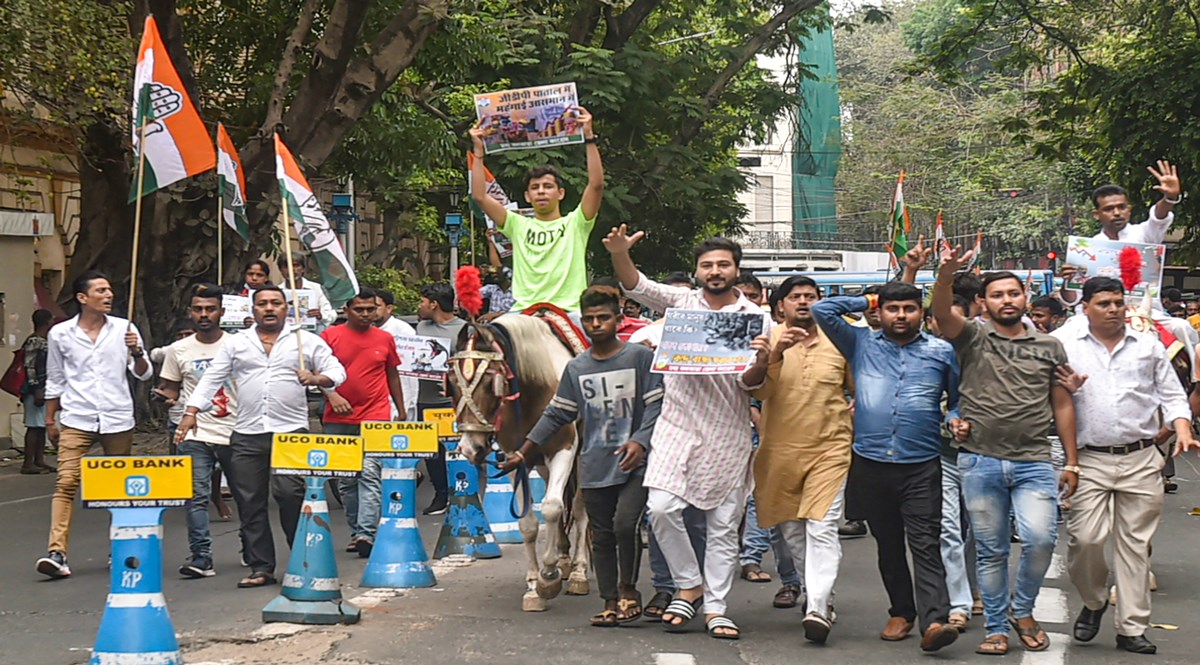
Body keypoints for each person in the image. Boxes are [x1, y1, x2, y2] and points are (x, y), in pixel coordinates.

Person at [605, 227, 770, 640]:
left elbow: (750, 383)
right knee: (660, 508)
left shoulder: (756, 318)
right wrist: (620, 253)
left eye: (723, 265)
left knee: (722, 524)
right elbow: (635, 284)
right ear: (697, 271)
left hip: (728, 431)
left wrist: (764, 362)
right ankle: (688, 583)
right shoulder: (681, 302)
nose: (715, 271)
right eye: (707, 265)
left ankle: (716, 608)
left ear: (736, 270)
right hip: (676, 425)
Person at [932, 250, 1080, 656]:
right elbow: (943, 316)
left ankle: (1023, 610)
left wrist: (1071, 461)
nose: (1007, 300)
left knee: (1040, 540)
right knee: (992, 550)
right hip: (979, 461)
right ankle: (996, 627)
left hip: (1034, 460)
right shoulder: (972, 337)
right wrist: (945, 276)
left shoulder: (1049, 346)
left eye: (1014, 293)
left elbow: (1063, 403)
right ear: (984, 302)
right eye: (997, 295)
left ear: (1025, 297)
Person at [500, 285, 664, 627]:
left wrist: (640, 441)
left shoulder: (639, 358)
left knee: (624, 525)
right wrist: (523, 452)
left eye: (604, 317)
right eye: (589, 319)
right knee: (601, 534)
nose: (596, 324)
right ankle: (608, 600)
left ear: (619, 319)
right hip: (594, 462)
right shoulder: (577, 368)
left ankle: (628, 589)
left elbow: (656, 405)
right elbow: (557, 415)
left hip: (635, 463)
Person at [812, 281, 961, 652]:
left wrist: (957, 417)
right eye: (893, 309)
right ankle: (901, 612)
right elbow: (821, 311)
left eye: (909, 309)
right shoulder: (860, 343)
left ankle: (935, 620)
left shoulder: (942, 352)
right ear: (880, 313)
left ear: (921, 314)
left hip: (921, 464)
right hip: (870, 463)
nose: (900, 316)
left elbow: (959, 399)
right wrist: (869, 298)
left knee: (925, 542)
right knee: (889, 544)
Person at [1051, 277, 1196, 655]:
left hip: (1143, 457)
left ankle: (1132, 627)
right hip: (1089, 459)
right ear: (1086, 307)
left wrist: (1182, 427)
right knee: (1085, 539)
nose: (1114, 309)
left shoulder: (1147, 345)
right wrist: (1070, 388)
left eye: (1118, 302)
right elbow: (1051, 396)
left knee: (1135, 544)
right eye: (1104, 303)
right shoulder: (1065, 346)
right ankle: (1095, 601)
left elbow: (1172, 395)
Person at [179, 286, 346, 588]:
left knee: (289, 494)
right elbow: (212, 378)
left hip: (291, 432)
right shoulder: (237, 343)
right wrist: (191, 412)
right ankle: (261, 567)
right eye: (262, 304)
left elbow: (337, 369)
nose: (269, 308)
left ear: (286, 308)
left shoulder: (305, 341)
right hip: (247, 432)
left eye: (276, 303)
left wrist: (318, 378)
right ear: (252, 310)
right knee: (250, 502)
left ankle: (304, 560)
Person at [740, 276, 852, 644]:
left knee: (821, 526)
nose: (803, 302)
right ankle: (821, 596)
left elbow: (860, 387)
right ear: (780, 305)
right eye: (795, 297)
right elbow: (757, 389)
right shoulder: (766, 339)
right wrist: (773, 355)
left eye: (811, 297)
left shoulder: (841, 338)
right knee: (793, 534)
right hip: (779, 452)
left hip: (830, 450)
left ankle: (817, 606)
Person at [36, 271, 153, 579]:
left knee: (117, 489)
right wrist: (50, 419)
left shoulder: (124, 329)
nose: (108, 295)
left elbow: (143, 373)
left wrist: (137, 351)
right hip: (77, 416)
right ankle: (56, 552)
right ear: (82, 298)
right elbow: (56, 378)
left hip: (117, 417)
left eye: (109, 289)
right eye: (101, 290)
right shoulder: (60, 333)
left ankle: (119, 549)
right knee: (66, 481)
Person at [469, 108, 604, 313]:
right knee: (485, 341)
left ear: (560, 193)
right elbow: (480, 196)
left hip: (569, 312)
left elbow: (596, 185)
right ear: (527, 196)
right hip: (523, 311)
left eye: (547, 186)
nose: (541, 192)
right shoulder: (516, 224)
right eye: (535, 187)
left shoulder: (576, 223)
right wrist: (478, 153)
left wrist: (589, 137)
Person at [157, 284, 238, 578]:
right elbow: (171, 389)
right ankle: (201, 556)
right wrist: (165, 398)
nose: (204, 315)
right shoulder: (178, 350)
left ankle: (251, 549)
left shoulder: (239, 345)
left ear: (221, 312)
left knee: (246, 495)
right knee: (196, 495)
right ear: (190, 312)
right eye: (198, 309)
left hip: (235, 431)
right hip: (194, 433)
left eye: (210, 309)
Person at [321, 289, 407, 557]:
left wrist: (401, 409)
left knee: (370, 473)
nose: (367, 314)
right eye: (360, 309)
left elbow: (392, 373)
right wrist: (332, 396)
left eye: (371, 309)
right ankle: (356, 529)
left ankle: (365, 533)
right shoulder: (329, 337)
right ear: (347, 310)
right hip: (337, 417)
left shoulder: (385, 338)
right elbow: (316, 372)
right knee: (345, 480)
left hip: (376, 415)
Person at [415, 283, 467, 515]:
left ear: (434, 304)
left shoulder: (464, 329)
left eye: (422, 301)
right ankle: (440, 494)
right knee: (432, 452)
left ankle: (464, 492)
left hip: (451, 401)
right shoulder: (421, 327)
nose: (420, 306)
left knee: (457, 450)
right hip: (424, 399)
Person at [1091, 161, 1182, 244]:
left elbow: (1158, 217)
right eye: (1108, 209)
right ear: (1096, 214)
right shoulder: (1092, 246)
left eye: (1122, 207)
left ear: (1129, 209)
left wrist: (1170, 198)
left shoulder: (1144, 233)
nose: (1117, 213)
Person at [373, 289, 419, 421]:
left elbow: (407, 369)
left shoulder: (403, 330)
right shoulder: (368, 330)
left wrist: (404, 405)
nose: (372, 312)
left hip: (402, 392)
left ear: (389, 308)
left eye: (376, 307)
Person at [19, 309, 54, 474]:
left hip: (43, 388)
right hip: (35, 389)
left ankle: (39, 460)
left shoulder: (43, 340)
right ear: (47, 321)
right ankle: (28, 463)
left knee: (41, 426)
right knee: (33, 426)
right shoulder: (35, 341)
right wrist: (36, 388)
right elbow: (30, 365)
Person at [280, 254, 337, 331]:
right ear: (281, 270)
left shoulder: (316, 288)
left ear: (303, 269)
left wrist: (321, 315)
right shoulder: (277, 291)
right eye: (286, 266)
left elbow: (332, 314)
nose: (292, 269)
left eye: (296, 265)